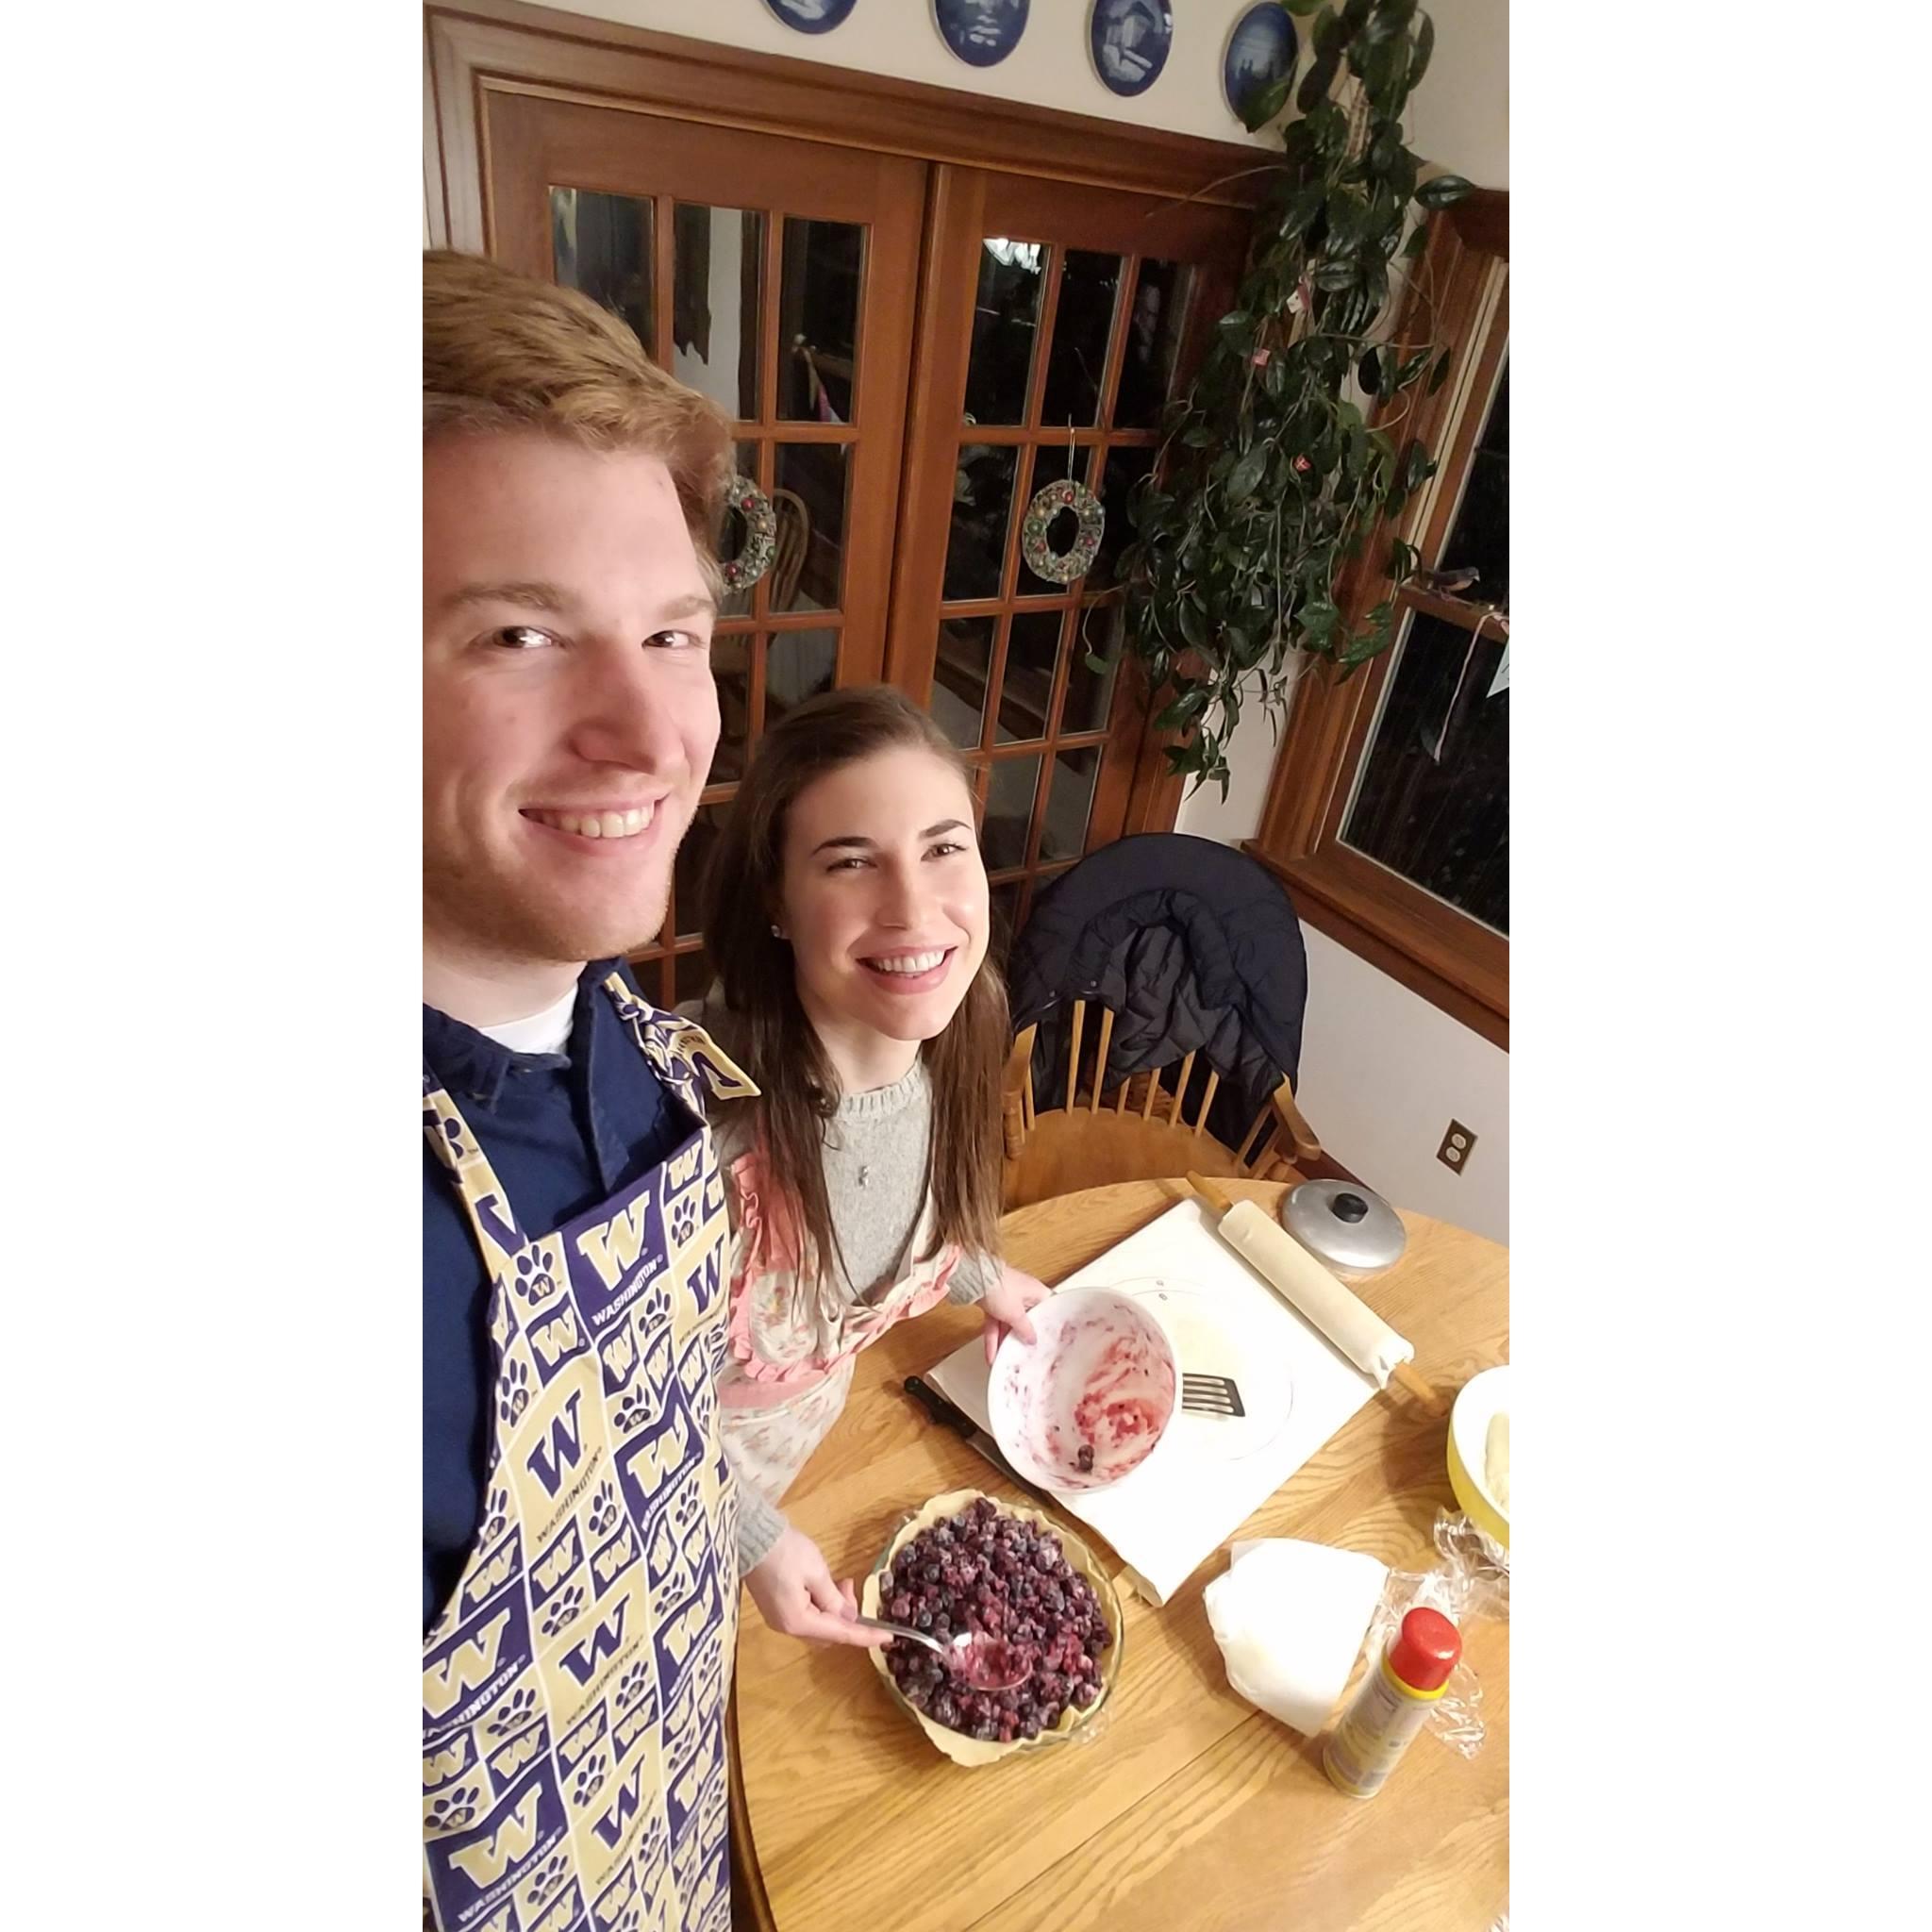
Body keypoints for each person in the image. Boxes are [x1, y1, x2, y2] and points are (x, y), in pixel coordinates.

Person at [421, 249, 752, 1932]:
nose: (649, 729)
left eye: (673, 632)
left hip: (683, 1810)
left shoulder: (618, 1018)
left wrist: (749, 1543)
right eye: (523, 632)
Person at [688, 686, 1051, 1645]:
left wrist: (978, 1272)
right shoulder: (693, 1132)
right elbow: (597, 1414)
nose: (913, 908)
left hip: (799, 1487)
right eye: (851, 862)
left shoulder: (958, 1033)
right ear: (774, 899)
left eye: (943, 847)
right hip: (661, 1533)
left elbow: (901, 1210)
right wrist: (745, 1531)